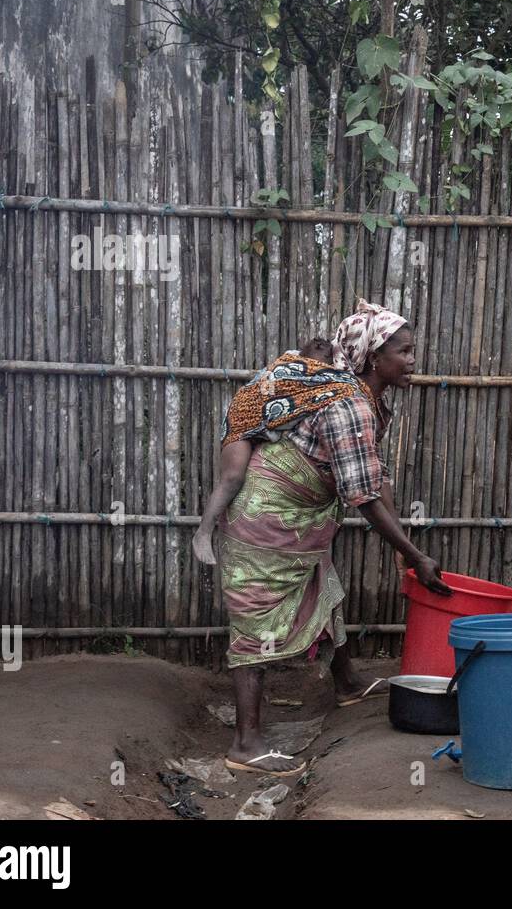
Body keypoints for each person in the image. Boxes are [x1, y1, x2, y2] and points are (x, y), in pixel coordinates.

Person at [219, 299, 451, 776]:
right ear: (372, 358)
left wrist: (406, 546)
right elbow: (364, 498)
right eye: (403, 352)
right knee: (256, 621)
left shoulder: (363, 400)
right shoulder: (347, 405)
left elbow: (372, 476)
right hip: (266, 520)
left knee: (326, 590)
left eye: (412, 351)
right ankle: (245, 743)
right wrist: (414, 554)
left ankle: (345, 683)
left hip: (295, 516)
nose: (412, 360)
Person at [193, 337, 352, 566]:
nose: (325, 368)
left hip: (266, 431)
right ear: (313, 351)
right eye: (326, 361)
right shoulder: (290, 367)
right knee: (232, 477)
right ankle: (203, 532)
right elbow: (271, 388)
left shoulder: (315, 379)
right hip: (242, 420)